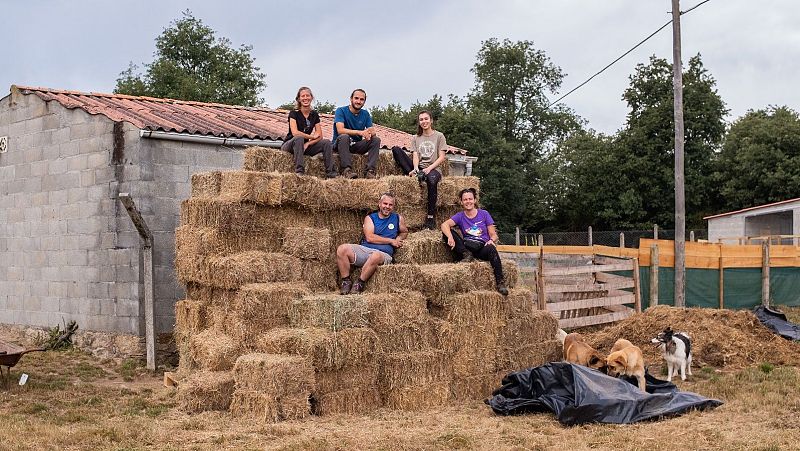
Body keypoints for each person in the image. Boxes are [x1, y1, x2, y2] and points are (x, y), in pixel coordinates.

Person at [440, 188, 508, 295]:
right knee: (447, 232)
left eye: (470, 199)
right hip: (467, 247)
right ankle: (466, 255)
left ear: (475, 200)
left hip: (481, 247)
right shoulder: (460, 216)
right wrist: (450, 237)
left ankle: (500, 282)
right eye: (465, 199)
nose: (468, 202)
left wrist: (492, 240)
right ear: (461, 202)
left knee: (492, 249)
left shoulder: (484, 214)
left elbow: (494, 234)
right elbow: (444, 225)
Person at [336, 193, 408, 294]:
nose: (387, 207)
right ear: (379, 204)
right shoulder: (370, 218)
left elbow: (404, 231)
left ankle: (359, 283)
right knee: (342, 249)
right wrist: (391, 241)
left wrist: (399, 238)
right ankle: (346, 281)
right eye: (385, 204)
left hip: (383, 255)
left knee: (376, 255)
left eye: (390, 205)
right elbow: (369, 238)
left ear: (393, 206)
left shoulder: (397, 218)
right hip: (365, 250)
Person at [391, 110, 447, 230]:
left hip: (433, 168)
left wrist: (429, 169)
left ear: (431, 120)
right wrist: (416, 168)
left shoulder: (439, 136)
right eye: (421, 119)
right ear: (419, 122)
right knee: (396, 149)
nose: (424, 121)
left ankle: (430, 217)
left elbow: (442, 157)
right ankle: (416, 174)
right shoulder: (416, 137)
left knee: (432, 181)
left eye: (426, 119)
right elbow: (415, 155)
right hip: (419, 167)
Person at [281, 87, 337, 178]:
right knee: (299, 138)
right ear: (299, 99)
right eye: (303, 96)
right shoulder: (293, 114)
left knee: (326, 142)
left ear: (311, 98)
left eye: (308, 95)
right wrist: (311, 136)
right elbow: (295, 133)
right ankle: (299, 172)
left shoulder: (314, 115)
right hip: (290, 144)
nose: (305, 98)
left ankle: (331, 173)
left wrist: (309, 143)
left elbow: (320, 136)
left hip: (304, 146)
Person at [333, 89, 381, 179]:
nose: (358, 101)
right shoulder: (340, 111)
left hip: (355, 145)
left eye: (361, 99)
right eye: (356, 98)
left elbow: (371, 130)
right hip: (341, 144)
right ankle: (346, 170)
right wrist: (359, 132)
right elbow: (340, 130)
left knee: (376, 140)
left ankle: (370, 171)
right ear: (351, 99)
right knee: (344, 137)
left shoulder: (365, 114)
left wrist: (371, 133)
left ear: (364, 102)